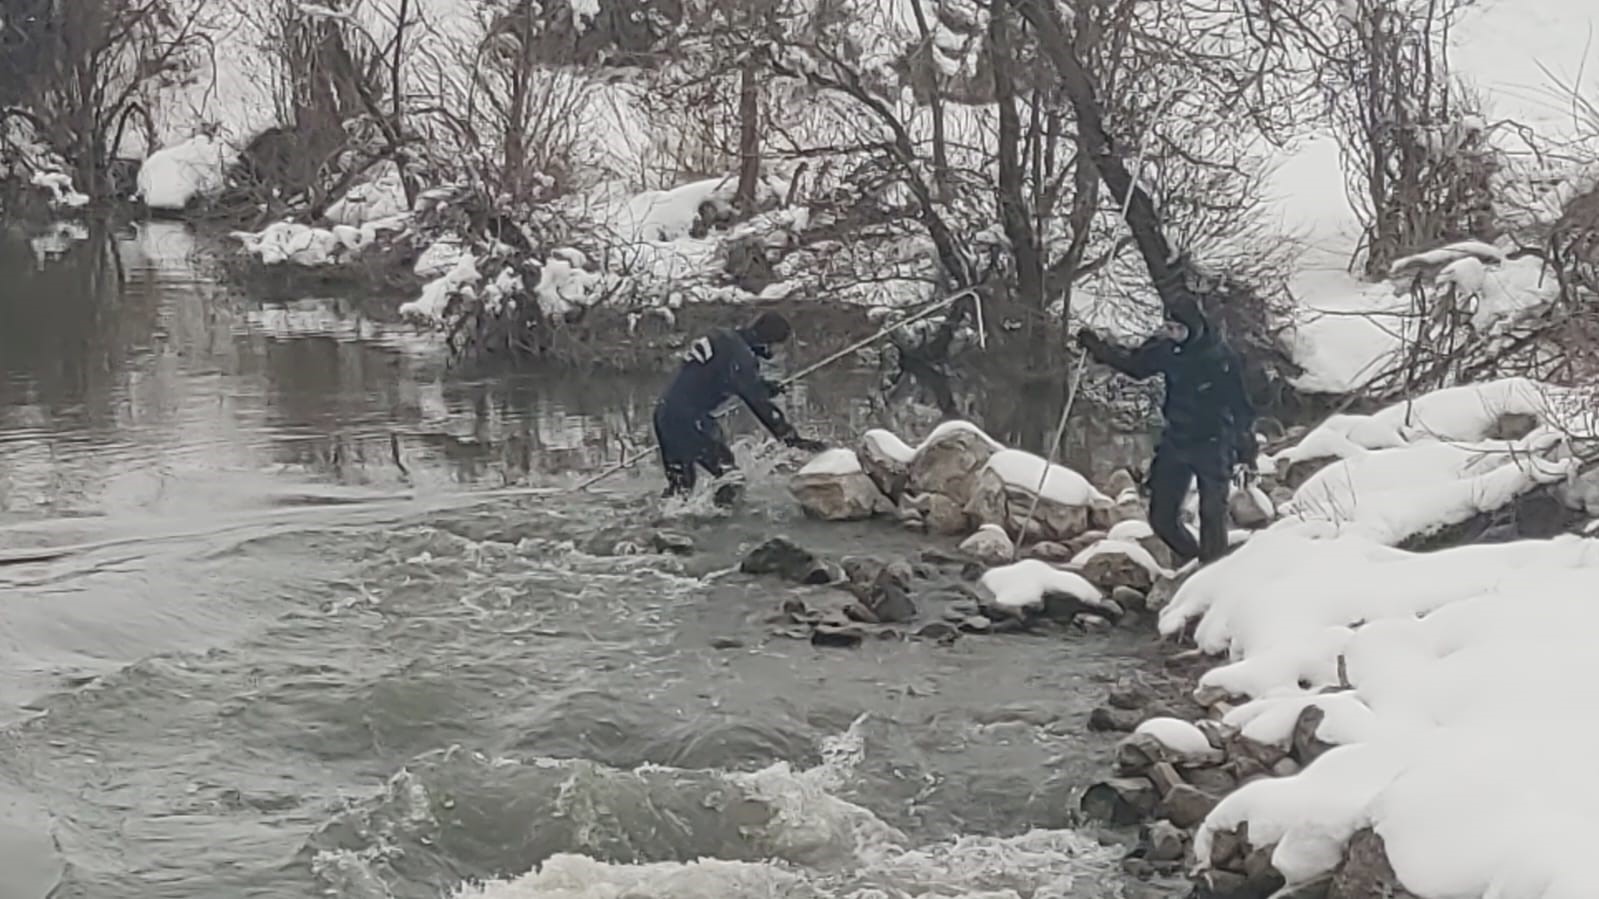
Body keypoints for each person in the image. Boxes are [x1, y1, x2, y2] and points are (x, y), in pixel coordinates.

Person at [1075, 295, 1258, 565]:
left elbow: (1241, 406)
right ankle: (1193, 557)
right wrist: (1096, 347)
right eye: (1168, 329)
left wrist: (1246, 450)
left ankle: (1212, 572)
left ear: (1193, 328)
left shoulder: (1220, 356)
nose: (1172, 335)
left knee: (1212, 513)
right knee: (1161, 518)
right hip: (1177, 439)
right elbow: (1134, 366)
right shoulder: (1166, 349)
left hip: (1214, 440)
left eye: (1178, 330)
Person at [653, 311, 826, 498]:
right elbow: (756, 401)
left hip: (665, 415)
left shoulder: (726, 339)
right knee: (730, 478)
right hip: (689, 420)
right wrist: (789, 436)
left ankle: (664, 524)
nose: (778, 352)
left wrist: (763, 387)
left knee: (680, 490)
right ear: (768, 340)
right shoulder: (741, 355)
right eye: (779, 346)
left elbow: (724, 379)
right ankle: (723, 523)